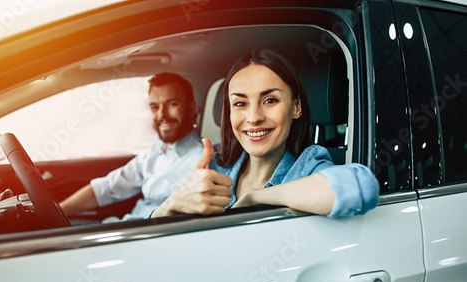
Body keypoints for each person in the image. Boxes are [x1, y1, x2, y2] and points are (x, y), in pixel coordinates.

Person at [151, 49, 379, 218]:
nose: (253, 117)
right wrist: (170, 204)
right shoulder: (215, 167)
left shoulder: (307, 167)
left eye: (270, 100)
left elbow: (359, 187)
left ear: (296, 107)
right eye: (240, 104)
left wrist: (254, 198)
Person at [60, 72, 204, 221]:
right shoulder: (154, 152)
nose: (162, 115)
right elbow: (108, 188)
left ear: (192, 108)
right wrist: (58, 212)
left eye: (172, 104)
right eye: (154, 107)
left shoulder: (201, 160)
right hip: (119, 227)